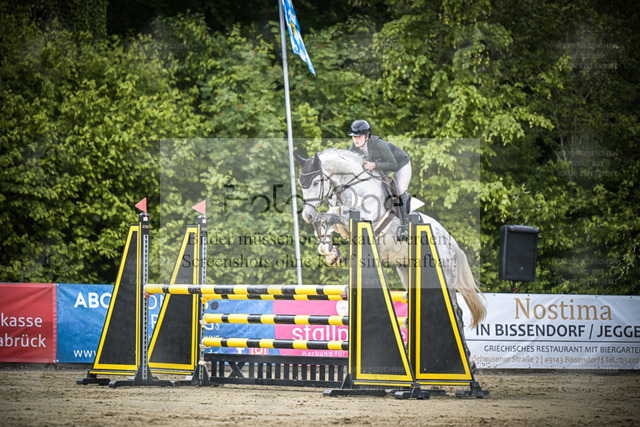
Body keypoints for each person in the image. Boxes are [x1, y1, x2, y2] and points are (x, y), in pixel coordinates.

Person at [347, 119, 412, 240]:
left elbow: (393, 165)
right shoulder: (354, 148)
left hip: (400, 164)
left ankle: (406, 226)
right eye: (354, 136)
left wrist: (374, 165)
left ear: (367, 136)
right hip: (382, 166)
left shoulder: (379, 144)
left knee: (401, 189)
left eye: (359, 136)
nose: (356, 139)